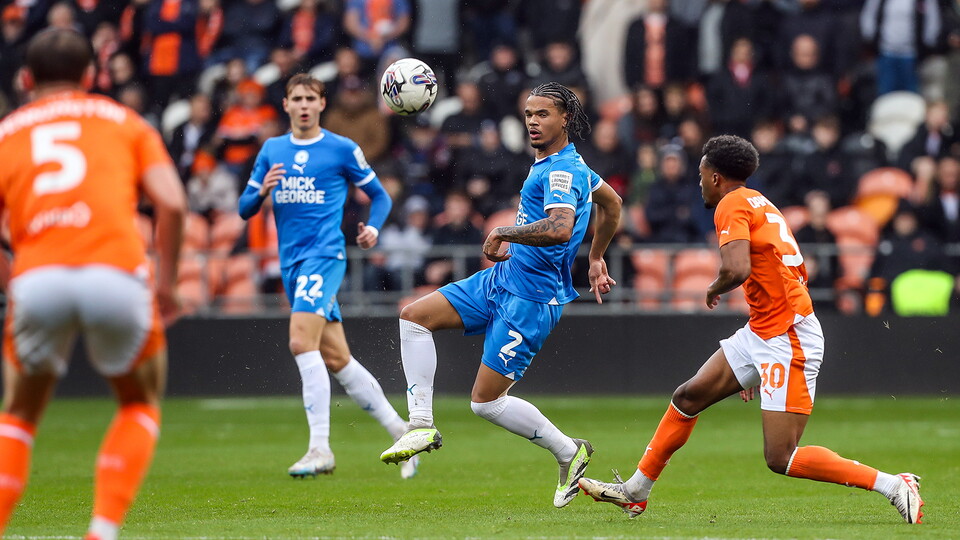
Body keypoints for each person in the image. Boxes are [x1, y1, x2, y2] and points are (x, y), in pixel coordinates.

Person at [578, 135, 924, 524]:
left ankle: (894, 485)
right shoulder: (758, 200)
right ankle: (636, 490)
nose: (699, 180)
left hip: (787, 335)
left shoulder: (730, 203)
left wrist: (713, 288)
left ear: (716, 176)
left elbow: (737, 268)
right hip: (766, 328)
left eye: (701, 173)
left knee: (781, 456)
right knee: (688, 396)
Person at [379, 82, 624, 508]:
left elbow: (561, 228)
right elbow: (614, 203)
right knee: (414, 316)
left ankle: (570, 450)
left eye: (543, 114)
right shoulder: (566, 165)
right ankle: (420, 423)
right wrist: (597, 258)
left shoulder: (561, 171)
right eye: (529, 113)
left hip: (531, 301)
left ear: (565, 118)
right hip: (503, 278)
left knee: (486, 403)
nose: (533, 121)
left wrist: (501, 231)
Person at [0, 29, 186, 539]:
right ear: (92, 77)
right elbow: (170, 202)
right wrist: (166, 286)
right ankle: (101, 531)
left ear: (25, 79)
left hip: (37, 278)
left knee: (19, 413)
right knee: (138, 402)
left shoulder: (7, 131)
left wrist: (12, 281)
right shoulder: (123, 120)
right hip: (117, 274)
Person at [237, 73, 418, 479]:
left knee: (301, 342)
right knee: (337, 357)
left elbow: (381, 196)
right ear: (285, 105)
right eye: (296, 98)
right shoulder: (271, 150)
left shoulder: (341, 149)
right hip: (291, 263)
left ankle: (320, 449)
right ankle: (403, 432)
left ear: (322, 104)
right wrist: (260, 190)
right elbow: (244, 208)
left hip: (325, 256)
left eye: (310, 98)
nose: (303, 105)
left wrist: (373, 228)